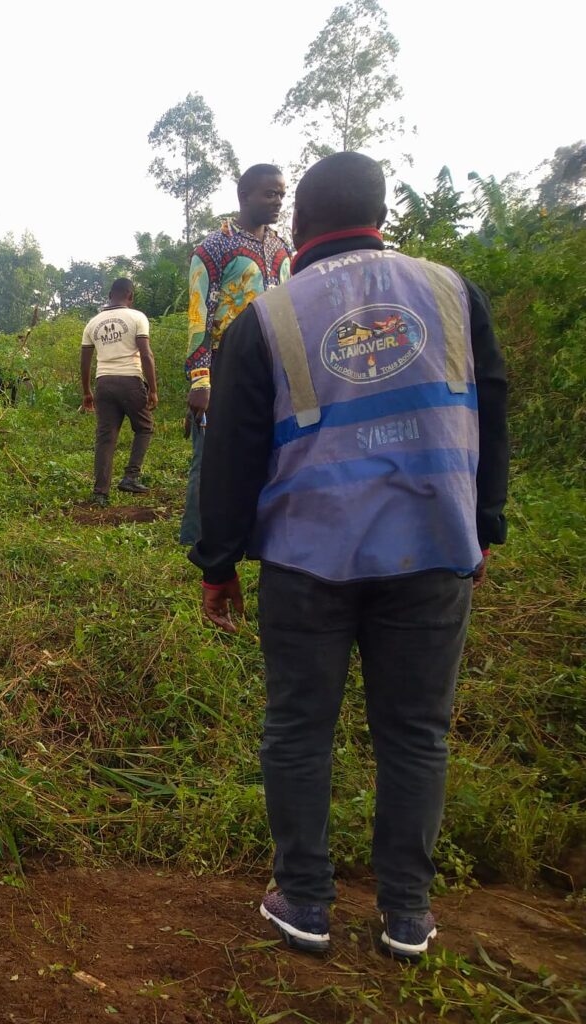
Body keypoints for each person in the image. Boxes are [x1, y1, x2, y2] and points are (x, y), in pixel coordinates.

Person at [190, 152, 509, 961]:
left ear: (296, 226)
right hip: (435, 548)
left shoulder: (270, 316)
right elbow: (491, 410)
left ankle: (304, 901)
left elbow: (229, 450)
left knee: (299, 728)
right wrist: (487, 526)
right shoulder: (453, 292)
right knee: (416, 733)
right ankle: (406, 913)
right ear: (382, 213)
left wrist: (218, 563)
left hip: (307, 560)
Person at [180, 164, 292, 546]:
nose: (278, 201)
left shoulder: (282, 249)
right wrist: (200, 377)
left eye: (281, 193)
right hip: (225, 364)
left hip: (276, 365)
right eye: (269, 193)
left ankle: (261, 534)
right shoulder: (214, 248)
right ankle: (202, 540)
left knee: (273, 451)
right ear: (245, 197)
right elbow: (199, 315)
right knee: (212, 457)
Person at [80, 278, 158, 506]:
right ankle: (131, 477)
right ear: (130, 296)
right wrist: (153, 389)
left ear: (109, 295)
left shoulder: (93, 323)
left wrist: (86, 391)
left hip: (103, 383)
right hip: (130, 382)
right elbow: (146, 354)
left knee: (106, 438)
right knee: (144, 428)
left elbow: (85, 361)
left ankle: (100, 493)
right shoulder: (137, 317)